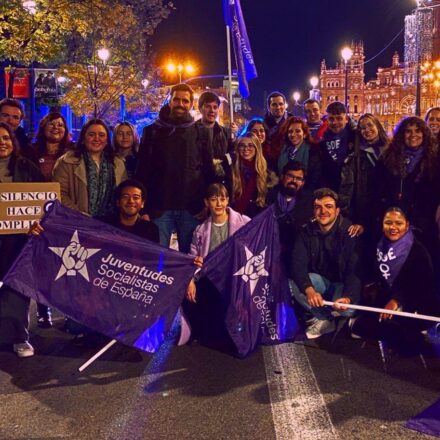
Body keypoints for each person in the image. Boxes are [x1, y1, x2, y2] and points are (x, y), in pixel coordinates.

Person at [135, 83, 214, 253]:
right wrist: (145, 208)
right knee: (158, 261)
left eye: (185, 101)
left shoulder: (201, 132)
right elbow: (142, 171)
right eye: (176, 99)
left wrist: (206, 204)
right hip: (158, 208)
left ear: (191, 105)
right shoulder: (152, 131)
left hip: (191, 208)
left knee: (188, 261)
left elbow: (207, 171)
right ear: (169, 101)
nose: (180, 104)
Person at [351, 208, 440, 356]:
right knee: (360, 327)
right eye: (388, 223)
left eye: (398, 223)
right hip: (386, 299)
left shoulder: (418, 251)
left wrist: (397, 300)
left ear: (407, 225)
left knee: (404, 337)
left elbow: (422, 286)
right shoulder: (379, 244)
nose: (393, 227)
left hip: (415, 302)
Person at [290, 188, 361, 339]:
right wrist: (309, 290)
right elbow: (298, 265)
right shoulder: (306, 232)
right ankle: (325, 319)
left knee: (346, 309)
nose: (323, 211)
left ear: (337, 211)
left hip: (342, 287)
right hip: (321, 283)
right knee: (293, 284)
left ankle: (345, 316)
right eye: (318, 207)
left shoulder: (350, 232)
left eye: (328, 206)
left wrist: (348, 297)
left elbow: (353, 272)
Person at [184, 183, 250, 343]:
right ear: (207, 202)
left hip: (237, 278)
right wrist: (190, 280)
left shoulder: (244, 223)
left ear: (228, 200)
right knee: (192, 294)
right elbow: (193, 257)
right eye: (214, 199)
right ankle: (200, 332)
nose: (219, 204)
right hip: (211, 278)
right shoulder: (200, 230)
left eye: (222, 199)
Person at [0, 122, 44, 357]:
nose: (2, 142)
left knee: (16, 289)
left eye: (6, 138)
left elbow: (41, 201)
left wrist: (38, 224)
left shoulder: (26, 168)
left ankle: (19, 338)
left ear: (12, 141)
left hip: (18, 240)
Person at [26, 111, 74, 327]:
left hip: (64, 217)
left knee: (65, 265)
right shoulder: (30, 153)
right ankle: (43, 310)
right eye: (52, 124)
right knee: (41, 265)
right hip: (38, 217)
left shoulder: (72, 154)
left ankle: (67, 311)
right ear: (43, 127)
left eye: (61, 125)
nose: (56, 128)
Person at [376, 116, 439, 257]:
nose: (413, 135)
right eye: (408, 131)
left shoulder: (434, 159)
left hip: (423, 222)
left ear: (424, 133)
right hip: (395, 219)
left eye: (418, 131)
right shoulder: (388, 156)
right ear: (401, 134)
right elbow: (377, 188)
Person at [339, 113, 389, 266]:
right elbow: (347, 191)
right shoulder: (355, 157)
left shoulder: (391, 151)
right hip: (366, 213)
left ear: (377, 126)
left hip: (389, 209)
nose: (367, 130)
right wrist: (351, 218)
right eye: (362, 128)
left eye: (370, 125)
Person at [53, 118, 127, 216]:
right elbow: (59, 193)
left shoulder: (118, 163)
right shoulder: (66, 162)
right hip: (77, 222)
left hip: (112, 223)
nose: (96, 139)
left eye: (101, 135)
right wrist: (80, 216)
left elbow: (124, 193)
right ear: (83, 138)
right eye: (91, 135)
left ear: (107, 140)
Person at [266, 161, 314, 270]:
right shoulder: (268, 196)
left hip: (295, 256)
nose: (293, 181)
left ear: (303, 182)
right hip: (269, 252)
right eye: (290, 176)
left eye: (298, 178)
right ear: (282, 177)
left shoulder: (309, 200)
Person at [223, 133, 275, 218]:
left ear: (257, 148)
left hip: (255, 220)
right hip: (232, 217)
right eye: (242, 146)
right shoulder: (229, 170)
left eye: (251, 145)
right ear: (237, 148)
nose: (246, 149)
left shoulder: (266, 173)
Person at [319, 101, 356, 192]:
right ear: (327, 119)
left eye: (339, 118)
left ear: (346, 119)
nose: (335, 122)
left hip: (352, 192)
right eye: (331, 119)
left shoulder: (355, 137)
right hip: (329, 191)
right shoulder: (321, 139)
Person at [277, 116, 321, 190]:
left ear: (304, 134)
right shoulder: (281, 151)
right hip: (284, 193)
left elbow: (315, 178)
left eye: (297, 131)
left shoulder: (313, 152)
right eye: (290, 131)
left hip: (305, 194)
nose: (293, 135)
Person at [196, 91, 236, 160]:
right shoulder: (192, 131)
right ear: (200, 108)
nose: (212, 111)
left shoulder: (225, 133)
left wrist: (224, 162)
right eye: (208, 106)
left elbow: (232, 154)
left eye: (215, 107)